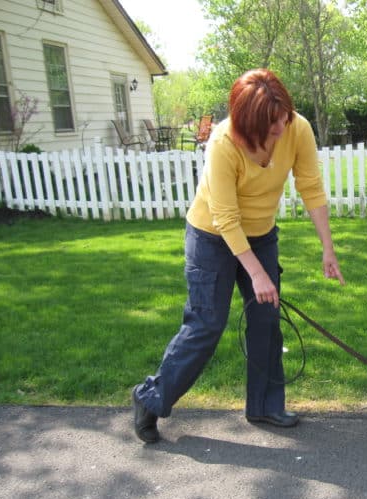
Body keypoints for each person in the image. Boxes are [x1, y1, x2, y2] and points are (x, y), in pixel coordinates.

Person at [131, 69, 345, 443]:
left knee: (266, 319)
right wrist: (257, 275)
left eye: (284, 119)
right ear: (248, 124)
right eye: (272, 125)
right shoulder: (223, 143)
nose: (281, 130)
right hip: (212, 236)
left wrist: (328, 248)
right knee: (206, 324)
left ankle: (264, 405)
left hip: (261, 234)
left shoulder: (297, 128)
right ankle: (150, 398)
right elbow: (225, 217)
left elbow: (310, 185)